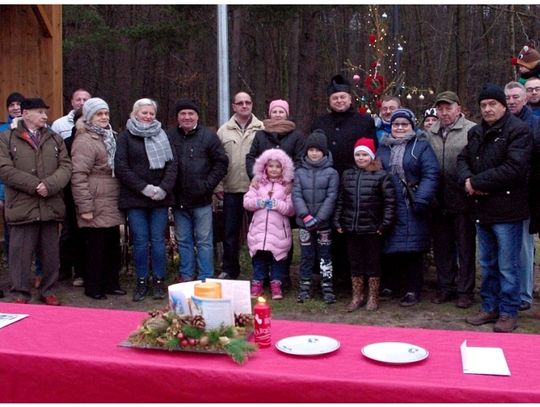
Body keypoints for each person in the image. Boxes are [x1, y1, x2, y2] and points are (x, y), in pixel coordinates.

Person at [457, 83, 532, 333]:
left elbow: (515, 168)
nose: (487, 109)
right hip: (482, 209)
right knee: (488, 262)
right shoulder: (476, 132)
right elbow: (463, 159)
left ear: (503, 106)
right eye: (483, 105)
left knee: (507, 265)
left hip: (508, 210)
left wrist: (476, 182)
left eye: (492, 104)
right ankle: (489, 306)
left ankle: (508, 311)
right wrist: (467, 180)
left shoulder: (519, 131)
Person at [0, 98, 72, 305]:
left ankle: (49, 290)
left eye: (45, 112)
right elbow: (4, 169)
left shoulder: (54, 138)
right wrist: (34, 185)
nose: (45, 116)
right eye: (40, 112)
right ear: (26, 114)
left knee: (51, 255)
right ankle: (21, 293)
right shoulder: (7, 139)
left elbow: (66, 167)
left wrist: (49, 185)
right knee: (20, 254)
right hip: (22, 206)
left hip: (50, 204)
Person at [311, 74, 377, 288]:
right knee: (328, 229)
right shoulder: (319, 122)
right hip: (325, 183)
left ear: (350, 99)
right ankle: (330, 274)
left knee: (350, 229)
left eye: (343, 97)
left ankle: (354, 275)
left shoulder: (364, 121)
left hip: (355, 184)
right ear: (330, 100)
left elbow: (371, 150)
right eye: (335, 98)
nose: (339, 101)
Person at [115, 98, 177, 302]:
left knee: (158, 241)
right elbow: (121, 167)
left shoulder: (164, 135)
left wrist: (162, 189)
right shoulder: (124, 138)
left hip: (160, 197)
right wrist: (144, 188)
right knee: (140, 241)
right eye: (144, 113)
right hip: (135, 198)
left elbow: (172, 166)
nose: (148, 116)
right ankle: (141, 281)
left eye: (151, 113)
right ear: (135, 114)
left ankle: (159, 280)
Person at [376, 108, 439, 307]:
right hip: (389, 204)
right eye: (396, 124)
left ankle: (413, 288)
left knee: (412, 249)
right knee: (390, 247)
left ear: (412, 126)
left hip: (412, 203)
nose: (400, 128)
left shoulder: (420, 147)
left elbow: (431, 173)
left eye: (404, 124)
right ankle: (391, 284)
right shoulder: (383, 147)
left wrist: (421, 199)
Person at [426, 91, 477, 309]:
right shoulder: (430, 132)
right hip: (438, 199)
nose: (444, 113)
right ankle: (445, 286)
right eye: (441, 109)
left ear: (458, 108)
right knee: (442, 247)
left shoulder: (471, 130)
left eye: (448, 108)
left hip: (463, 199)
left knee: (465, 248)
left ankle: (465, 290)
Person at [167, 98, 228, 282]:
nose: (187, 117)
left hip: (202, 200)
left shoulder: (208, 136)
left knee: (204, 241)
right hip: (178, 200)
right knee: (184, 241)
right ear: (177, 117)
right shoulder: (169, 136)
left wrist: (208, 185)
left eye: (190, 114)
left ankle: (206, 277)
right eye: (183, 114)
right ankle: (186, 275)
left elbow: (221, 163)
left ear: (197, 116)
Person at [71, 97, 126, 300]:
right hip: (95, 198)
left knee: (112, 244)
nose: (104, 117)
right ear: (89, 117)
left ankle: (111, 283)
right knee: (95, 246)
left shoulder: (110, 136)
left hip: (111, 198)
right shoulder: (85, 140)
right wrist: (84, 205)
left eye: (106, 113)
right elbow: (78, 175)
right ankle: (93, 286)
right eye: (99, 114)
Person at [334, 137, 396, 311]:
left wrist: (384, 224)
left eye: (364, 154)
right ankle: (357, 295)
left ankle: (373, 297)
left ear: (371, 156)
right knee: (355, 263)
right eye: (358, 155)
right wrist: (338, 220)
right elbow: (341, 199)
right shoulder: (348, 174)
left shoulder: (381, 175)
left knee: (372, 263)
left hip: (372, 229)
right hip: (351, 228)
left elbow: (389, 202)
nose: (361, 158)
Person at [216, 91, 264, 280]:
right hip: (231, 188)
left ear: (252, 105)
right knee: (230, 233)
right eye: (240, 103)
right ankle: (230, 269)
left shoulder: (262, 128)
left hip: (257, 190)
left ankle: (259, 272)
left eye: (248, 102)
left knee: (259, 232)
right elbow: (217, 160)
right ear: (234, 106)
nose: (244, 106)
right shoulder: (223, 130)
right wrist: (218, 186)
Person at [504, 81, 540, 312]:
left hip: (527, 192)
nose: (512, 101)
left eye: (516, 96)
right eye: (508, 97)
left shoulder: (534, 124)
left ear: (524, 98)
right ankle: (510, 290)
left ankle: (524, 294)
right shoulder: (502, 121)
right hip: (504, 192)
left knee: (524, 248)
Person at [293, 129, 339, 304]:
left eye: (318, 150)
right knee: (306, 255)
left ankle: (327, 286)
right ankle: (304, 286)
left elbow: (331, 197)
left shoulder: (332, 173)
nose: (314, 153)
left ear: (324, 152)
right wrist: (305, 216)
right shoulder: (299, 172)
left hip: (323, 223)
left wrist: (319, 218)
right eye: (311, 150)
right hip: (304, 224)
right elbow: (296, 195)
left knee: (325, 255)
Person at [244, 148, 294, 300]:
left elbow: (291, 209)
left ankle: (276, 284)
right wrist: (258, 202)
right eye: (271, 166)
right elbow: (247, 202)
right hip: (259, 231)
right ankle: (257, 283)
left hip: (278, 232)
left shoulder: (286, 187)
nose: (274, 169)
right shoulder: (258, 184)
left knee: (277, 259)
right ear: (264, 167)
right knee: (259, 259)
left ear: (283, 169)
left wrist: (278, 205)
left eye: (277, 166)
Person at [246, 99, 304, 179]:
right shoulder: (260, 134)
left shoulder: (297, 135)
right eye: (274, 112)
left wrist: (290, 179)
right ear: (270, 114)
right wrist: (256, 176)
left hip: (287, 184)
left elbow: (299, 160)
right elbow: (251, 157)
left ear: (286, 115)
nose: (277, 115)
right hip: (263, 183)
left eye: (281, 112)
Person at [0, 92, 25, 265]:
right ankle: (13, 266)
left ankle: (37, 271)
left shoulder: (36, 128)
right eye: (11, 105)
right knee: (11, 230)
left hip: (30, 188)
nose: (15, 108)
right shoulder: (2, 130)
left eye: (18, 104)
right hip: (7, 190)